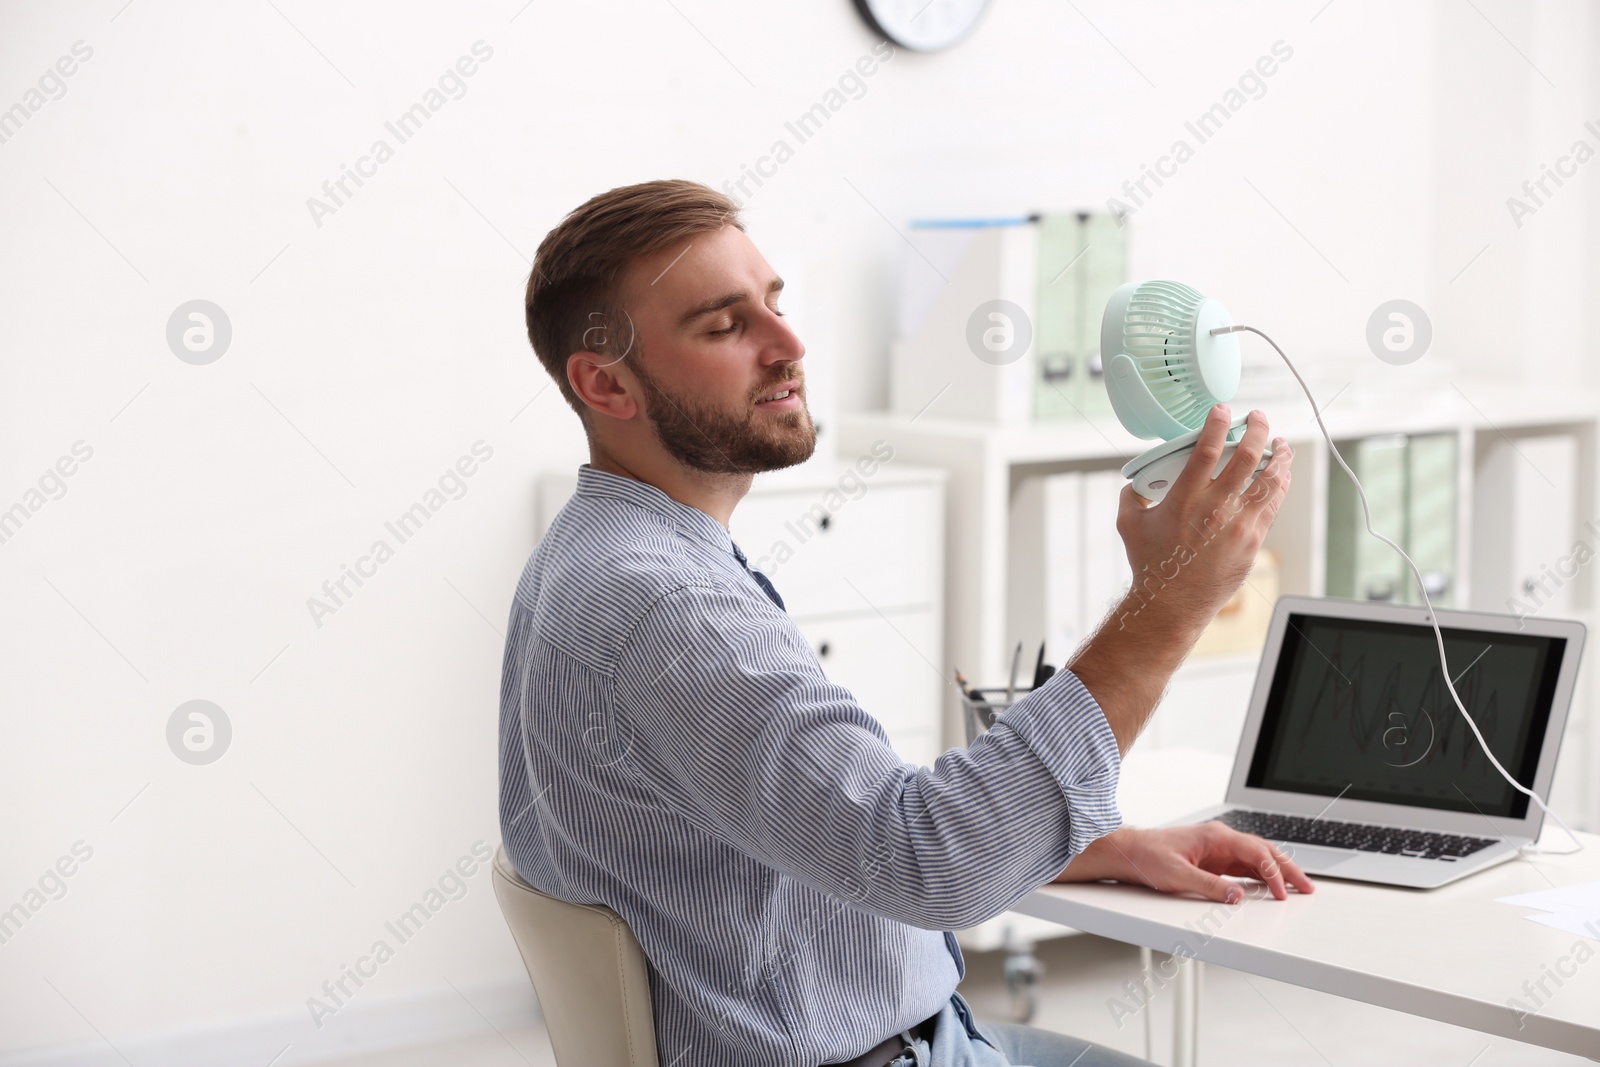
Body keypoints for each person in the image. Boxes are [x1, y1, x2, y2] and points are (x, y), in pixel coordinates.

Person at [498, 179, 1309, 1067]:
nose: (790, 345)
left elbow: (829, 830)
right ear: (605, 384)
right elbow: (933, 862)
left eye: (774, 303)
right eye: (726, 326)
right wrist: (1171, 604)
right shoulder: (666, 607)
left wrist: (1093, 844)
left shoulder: (607, 550)